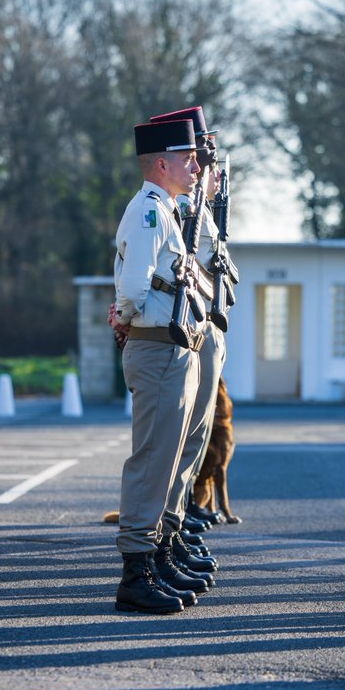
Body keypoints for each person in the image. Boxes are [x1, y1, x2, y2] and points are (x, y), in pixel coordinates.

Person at [110, 118, 204, 614]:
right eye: (187, 158)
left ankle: (155, 558)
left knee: (165, 460)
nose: (196, 166)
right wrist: (124, 319)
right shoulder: (149, 211)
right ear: (161, 164)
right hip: (156, 348)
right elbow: (132, 287)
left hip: (171, 347)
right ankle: (136, 573)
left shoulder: (165, 210)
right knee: (151, 462)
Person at [147, 106, 225, 588]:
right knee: (171, 448)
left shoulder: (191, 208)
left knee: (192, 441)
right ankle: (158, 541)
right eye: (197, 155)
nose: (203, 166)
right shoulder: (168, 210)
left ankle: (171, 533)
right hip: (182, 332)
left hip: (201, 327)